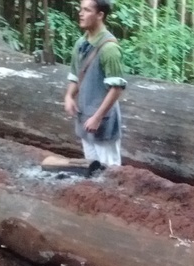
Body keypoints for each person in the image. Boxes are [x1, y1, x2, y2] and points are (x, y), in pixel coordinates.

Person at [64, 0, 126, 166]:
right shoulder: (81, 43)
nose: (81, 13)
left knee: (110, 172)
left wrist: (97, 118)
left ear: (100, 15)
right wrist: (69, 96)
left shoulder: (109, 48)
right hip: (84, 118)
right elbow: (75, 76)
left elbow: (116, 88)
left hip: (104, 122)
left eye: (87, 10)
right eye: (81, 9)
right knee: (90, 168)